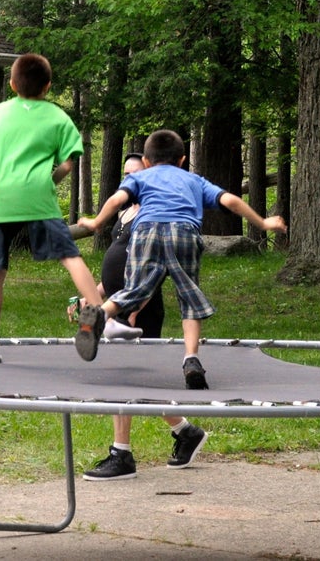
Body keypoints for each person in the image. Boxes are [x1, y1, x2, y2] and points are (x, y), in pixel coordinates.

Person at [77, 129, 287, 388]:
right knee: (189, 295)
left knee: (135, 290)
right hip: (184, 233)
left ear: (145, 161)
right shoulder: (194, 180)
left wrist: (96, 222)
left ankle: (101, 314)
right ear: (182, 160)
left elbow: (117, 199)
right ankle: (191, 359)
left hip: (146, 232)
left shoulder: (141, 178)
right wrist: (263, 222)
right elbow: (230, 200)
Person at [0, 53, 141, 364]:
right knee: (70, 257)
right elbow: (68, 161)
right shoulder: (56, 116)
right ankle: (108, 319)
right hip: (37, 195)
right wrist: (50, 180)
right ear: (48, 87)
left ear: (11, 84)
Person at [82, 152, 209, 481]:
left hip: (138, 311)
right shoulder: (125, 213)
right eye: (125, 174)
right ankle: (185, 431)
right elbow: (115, 270)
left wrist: (131, 314)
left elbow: (151, 273)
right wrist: (93, 299)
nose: (129, 180)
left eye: (135, 173)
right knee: (132, 382)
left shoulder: (154, 213)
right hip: (118, 305)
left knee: (123, 379)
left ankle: (121, 454)